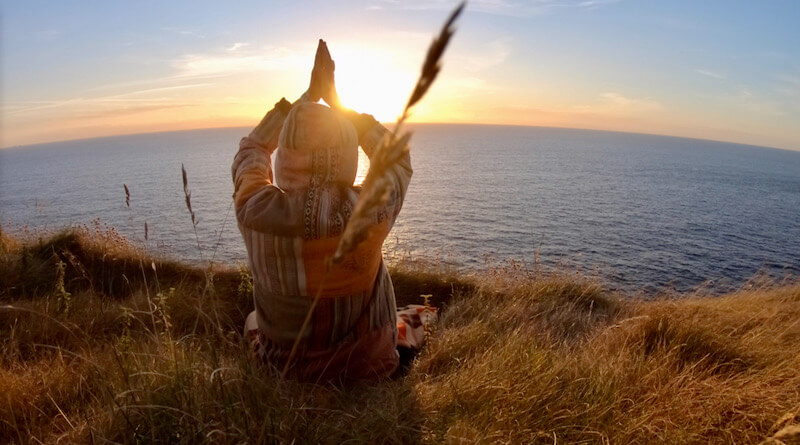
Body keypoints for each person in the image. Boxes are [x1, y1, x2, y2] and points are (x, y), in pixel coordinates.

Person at [232, 40, 413, 382]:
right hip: (367, 368)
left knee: (252, 321)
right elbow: (397, 160)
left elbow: (252, 149)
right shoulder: (369, 211)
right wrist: (339, 106)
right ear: (346, 155)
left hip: (284, 372)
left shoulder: (254, 210)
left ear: (284, 155)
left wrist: (303, 101)